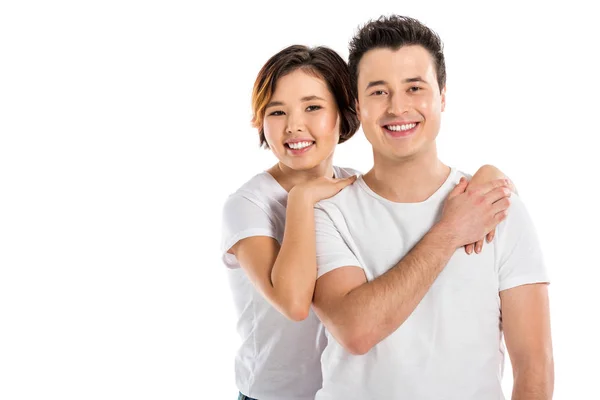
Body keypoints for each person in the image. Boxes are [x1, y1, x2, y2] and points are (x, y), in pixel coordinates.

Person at [221, 44, 513, 400]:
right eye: (277, 111)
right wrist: (301, 199)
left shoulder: (353, 188)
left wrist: (489, 174)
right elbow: (295, 304)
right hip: (272, 396)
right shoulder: (248, 205)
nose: (294, 126)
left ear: (345, 115)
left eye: (313, 107)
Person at [311, 15, 553, 399]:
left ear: (442, 95)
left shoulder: (496, 205)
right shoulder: (327, 213)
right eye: (379, 92)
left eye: (414, 88)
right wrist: (450, 231)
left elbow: (534, 366)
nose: (398, 107)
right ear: (357, 106)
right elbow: (356, 331)